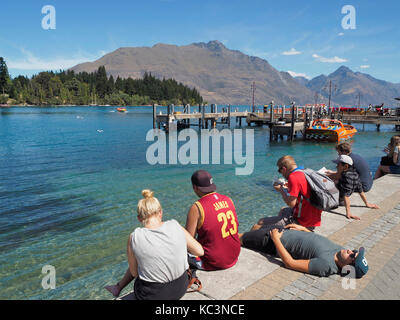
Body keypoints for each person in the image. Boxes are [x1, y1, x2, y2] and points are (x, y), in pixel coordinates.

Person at [105, 189, 204, 300]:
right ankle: (117, 287)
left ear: (139, 218)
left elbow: (134, 272)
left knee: (140, 262)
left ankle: (118, 287)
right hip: (180, 287)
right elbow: (200, 251)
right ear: (160, 212)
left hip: (153, 295)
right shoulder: (175, 225)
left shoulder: (134, 236)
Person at [239, 224, 369, 278]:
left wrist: (275, 239)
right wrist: (302, 228)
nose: (350, 251)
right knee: (256, 226)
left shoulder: (326, 266)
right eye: (354, 250)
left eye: (353, 255)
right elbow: (316, 240)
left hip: (271, 241)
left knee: (237, 238)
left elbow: (290, 263)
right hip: (285, 230)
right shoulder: (341, 251)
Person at [185, 170, 241, 271]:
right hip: (234, 255)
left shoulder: (197, 207)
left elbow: (188, 242)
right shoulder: (228, 200)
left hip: (212, 262)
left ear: (195, 187)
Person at [252, 155, 322, 232]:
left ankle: (280, 232)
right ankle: (281, 230)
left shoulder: (293, 177)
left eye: (280, 170)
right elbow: (303, 187)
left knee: (260, 222)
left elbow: (291, 204)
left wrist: (280, 190)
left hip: (303, 221)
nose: (281, 173)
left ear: (284, 169)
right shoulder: (304, 171)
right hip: (314, 218)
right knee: (283, 210)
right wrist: (289, 186)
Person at [334, 155, 379, 220]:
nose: (336, 166)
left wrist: (348, 213)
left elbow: (345, 196)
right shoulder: (355, 174)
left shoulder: (346, 178)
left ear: (345, 166)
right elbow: (360, 191)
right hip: (339, 197)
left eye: (338, 165)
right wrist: (367, 204)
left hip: (337, 200)